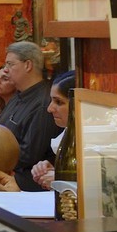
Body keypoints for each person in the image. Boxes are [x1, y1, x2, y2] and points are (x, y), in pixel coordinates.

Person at [0, 41, 63, 190]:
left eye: (10, 64)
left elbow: (28, 155)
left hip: (26, 181)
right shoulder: (18, 95)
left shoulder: (43, 103)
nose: (5, 70)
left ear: (28, 65)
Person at [31, 71, 79, 216]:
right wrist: (50, 170)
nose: (50, 108)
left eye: (59, 102)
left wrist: (59, 179)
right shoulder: (66, 134)